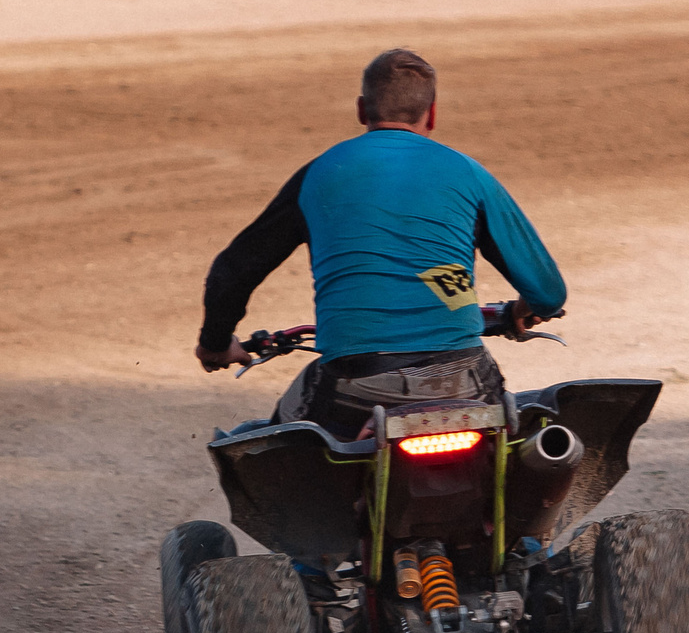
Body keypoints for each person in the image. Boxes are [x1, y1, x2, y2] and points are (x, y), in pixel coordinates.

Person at [195, 49, 566, 443]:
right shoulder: (470, 174)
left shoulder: (319, 174)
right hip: (463, 379)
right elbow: (548, 293)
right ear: (433, 113)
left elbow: (235, 270)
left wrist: (216, 343)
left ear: (361, 110)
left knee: (273, 449)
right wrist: (527, 307)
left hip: (354, 382)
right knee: (509, 448)